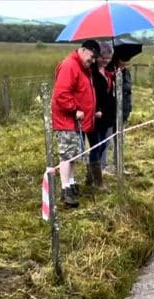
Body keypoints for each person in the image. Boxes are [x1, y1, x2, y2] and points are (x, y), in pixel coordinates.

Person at [51, 40, 100, 208]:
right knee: (66, 156)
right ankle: (65, 191)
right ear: (84, 50)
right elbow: (61, 94)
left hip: (76, 122)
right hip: (67, 120)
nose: (92, 61)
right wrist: (74, 110)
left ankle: (71, 183)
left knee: (74, 155)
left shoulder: (81, 67)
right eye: (92, 57)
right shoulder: (70, 66)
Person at [85, 41, 114, 191]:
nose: (106, 60)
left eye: (109, 57)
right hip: (95, 116)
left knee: (103, 145)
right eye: (103, 57)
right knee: (96, 146)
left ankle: (90, 176)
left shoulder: (109, 72)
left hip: (106, 116)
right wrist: (95, 110)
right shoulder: (91, 73)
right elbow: (90, 94)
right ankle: (97, 182)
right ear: (97, 56)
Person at [104, 50, 133, 175]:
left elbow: (128, 87)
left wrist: (120, 77)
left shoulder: (126, 72)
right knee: (106, 140)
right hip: (110, 112)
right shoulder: (108, 71)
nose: (126, 62)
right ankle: (103, 167)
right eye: (123, 59)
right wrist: (114, 77)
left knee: (120, 139)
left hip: (123, 111)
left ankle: (119, 165)